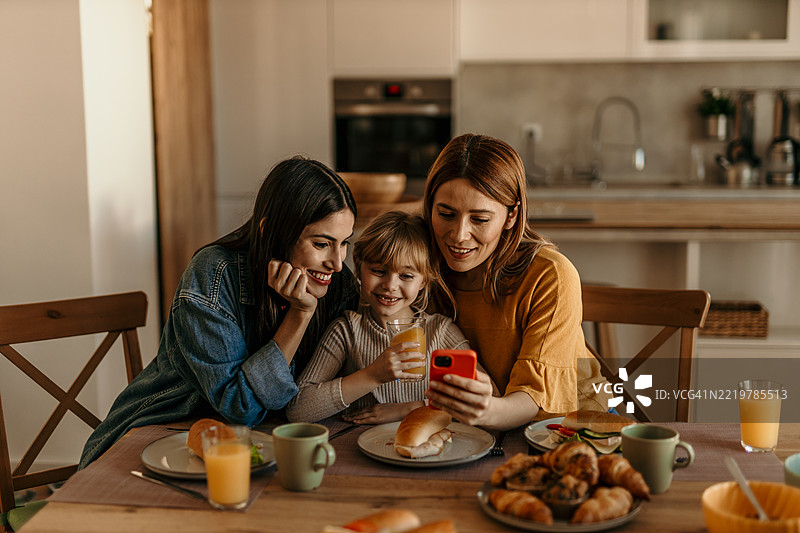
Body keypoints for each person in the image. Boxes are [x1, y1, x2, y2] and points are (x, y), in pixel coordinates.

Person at [79, 156, 360, 468]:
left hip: (261, 445)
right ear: (270, 232)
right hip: (163, 434)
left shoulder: (337, 284)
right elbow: (241, 409)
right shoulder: (214, 275)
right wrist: (300, 315)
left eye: (344, 243)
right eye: (321, 244)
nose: (337, 263)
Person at [422, 133, 612, 432]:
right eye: (446, 214)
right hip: (472, 426)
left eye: (480, 219)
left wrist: (484, 410)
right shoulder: (418, 266)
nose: (458, 235)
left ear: (511, 215)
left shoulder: (550, 275)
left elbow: (533, 397)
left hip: (567, 426)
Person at [286, 211, 471, 425]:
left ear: (424, 280)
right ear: (358, 265)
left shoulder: (440, 332)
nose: (390, 285)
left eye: (406, 276)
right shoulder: (347, 330)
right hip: (359, 443)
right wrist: (372, 375)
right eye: (378, 271)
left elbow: (486, 398)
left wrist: (413, 408)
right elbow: (297, 410)